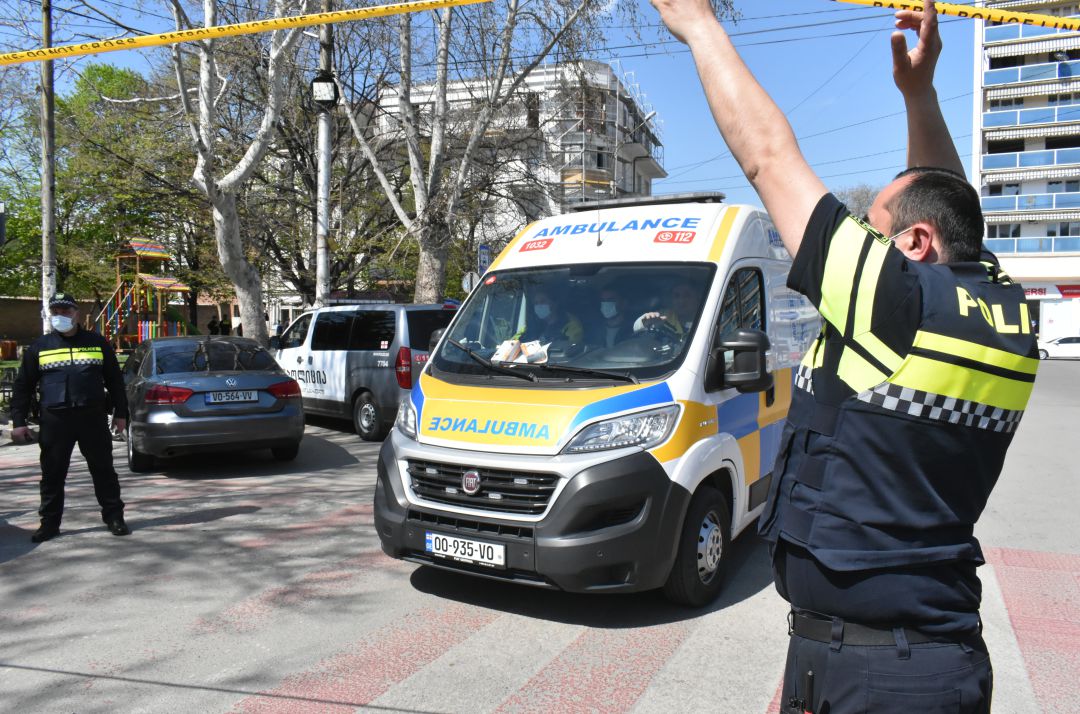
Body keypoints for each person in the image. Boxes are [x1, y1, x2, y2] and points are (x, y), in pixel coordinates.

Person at [650, 1, 1037, 711]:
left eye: (872, 228)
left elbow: (768, 158)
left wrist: (699, 26)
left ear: (914, 246)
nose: (859, 237)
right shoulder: (1006, 314)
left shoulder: (900, 307)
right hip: (911, 658)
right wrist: (919, 93)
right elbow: (951, 207)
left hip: (879, 677)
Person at [9, 291, 131, 542]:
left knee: (104, 471)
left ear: (77, 313)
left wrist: (121, 414)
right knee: (53, 474)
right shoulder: (39, 347)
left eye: (66, 311)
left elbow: (116, 381)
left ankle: (114, 517)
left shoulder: (97, 343)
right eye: (56, 312)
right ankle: (49, 524)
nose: (61, 316)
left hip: (92, 417)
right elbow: (23, 387)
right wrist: (19, 422)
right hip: (55, 420)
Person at [518, 288, 584, 346]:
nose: (539, 306)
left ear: (555, 303)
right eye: (536, 303)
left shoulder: (571, 325)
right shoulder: (533, 324)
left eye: (543, 302)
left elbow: (572, 350)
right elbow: (518, 342)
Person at [633, 282, 701, 336]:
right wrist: (644, 322)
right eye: (676, 296)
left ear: (697, 298)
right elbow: (637, 329)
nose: (681, 301)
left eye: (687, 295)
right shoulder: (664, 315)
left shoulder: (706, 317)